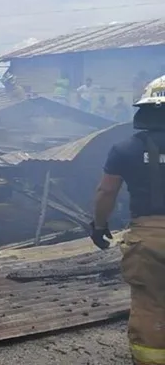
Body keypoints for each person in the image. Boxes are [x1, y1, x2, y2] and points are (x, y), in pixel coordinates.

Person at [90, 74, 165, 364]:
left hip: (148, 238)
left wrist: (99, 226)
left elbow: (106, 191)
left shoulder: (125, 149)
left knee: (151, 304)